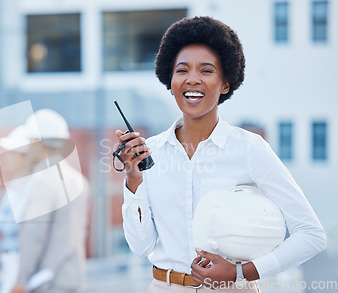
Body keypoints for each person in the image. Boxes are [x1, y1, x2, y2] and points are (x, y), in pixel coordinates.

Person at [116, 16, 326, 293]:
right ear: (170, 79)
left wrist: (240, 273)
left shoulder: (249, 149)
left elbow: (312, 235)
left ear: (225, 83)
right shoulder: (151, 152)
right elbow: (140, 246)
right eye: (182, 70)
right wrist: (133, 178)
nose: (192, 79)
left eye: (206, 71)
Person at [11, 109, 90, 293]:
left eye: (30, 141)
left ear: (39, 143)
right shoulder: (79, 180)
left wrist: (21, 280)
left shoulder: (43, 181)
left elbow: (34, 234)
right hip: (73, 277)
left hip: (46, 283)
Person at [0, 125, 34, 293]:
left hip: (21, 259)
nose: (7, 159)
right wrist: (10, 220)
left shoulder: (33, 185)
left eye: (11, 154)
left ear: (23, 156)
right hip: (9, 258)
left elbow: (17, 225)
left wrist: (9, 221)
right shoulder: (16, 185)